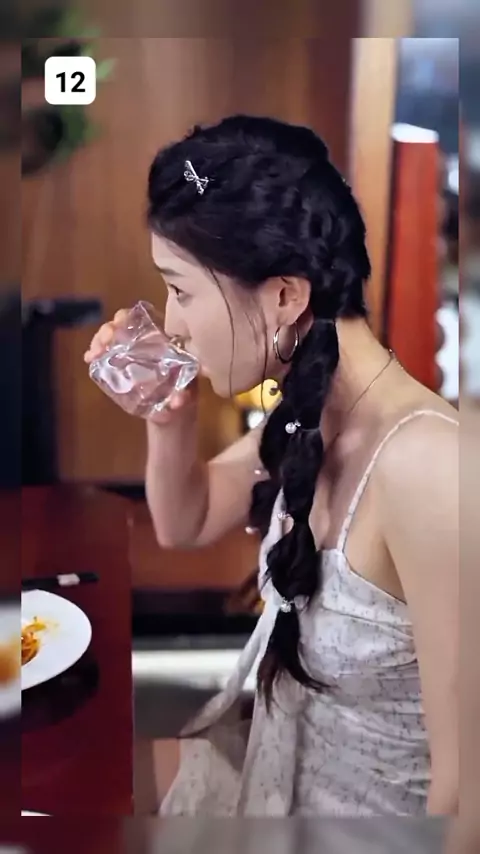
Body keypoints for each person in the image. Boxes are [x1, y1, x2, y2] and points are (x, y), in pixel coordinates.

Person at [84, 115, 459, 816]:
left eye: (181, 291)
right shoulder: (310, 416)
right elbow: (187, 521)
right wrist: (169, 415)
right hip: (269, 781)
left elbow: (466, 795)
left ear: (285, 296)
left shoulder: (429, 467)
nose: (172, 323)